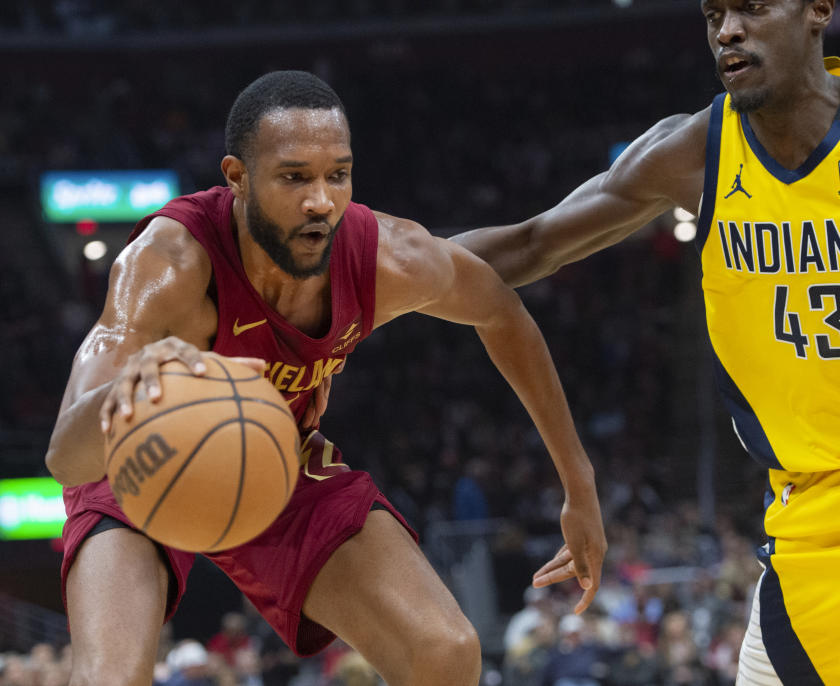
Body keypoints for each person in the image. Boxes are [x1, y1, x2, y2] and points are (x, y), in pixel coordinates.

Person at [44, 70, 607, 686]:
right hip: (139, 455)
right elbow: (66, 457)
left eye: (337, 174)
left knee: (443, 651)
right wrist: (127, 395)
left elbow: (503, 311)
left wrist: (578, 485)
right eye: (294, 177)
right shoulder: (168, 265)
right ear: (237, 178)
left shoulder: (388, 256)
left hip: (274, 456)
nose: (321, 201)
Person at [452, 1, 840, 683]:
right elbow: (532, 243)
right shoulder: (691, 153)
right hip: (818, 502)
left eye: (750, 7)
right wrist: (363, 272)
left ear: (818, 10)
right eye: (714, 12)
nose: (727, 30)